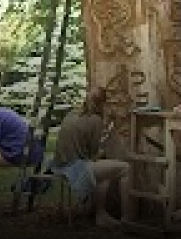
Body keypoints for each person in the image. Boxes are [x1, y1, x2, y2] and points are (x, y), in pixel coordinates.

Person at [49, 87, 129, 227]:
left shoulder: (71, 114)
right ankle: (128, 217)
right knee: (126, 168)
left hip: (59, 165)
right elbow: (93, 156)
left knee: (104, 175)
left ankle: (101, 215)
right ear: (104, 104)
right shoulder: (96, 120)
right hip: (75, 168)